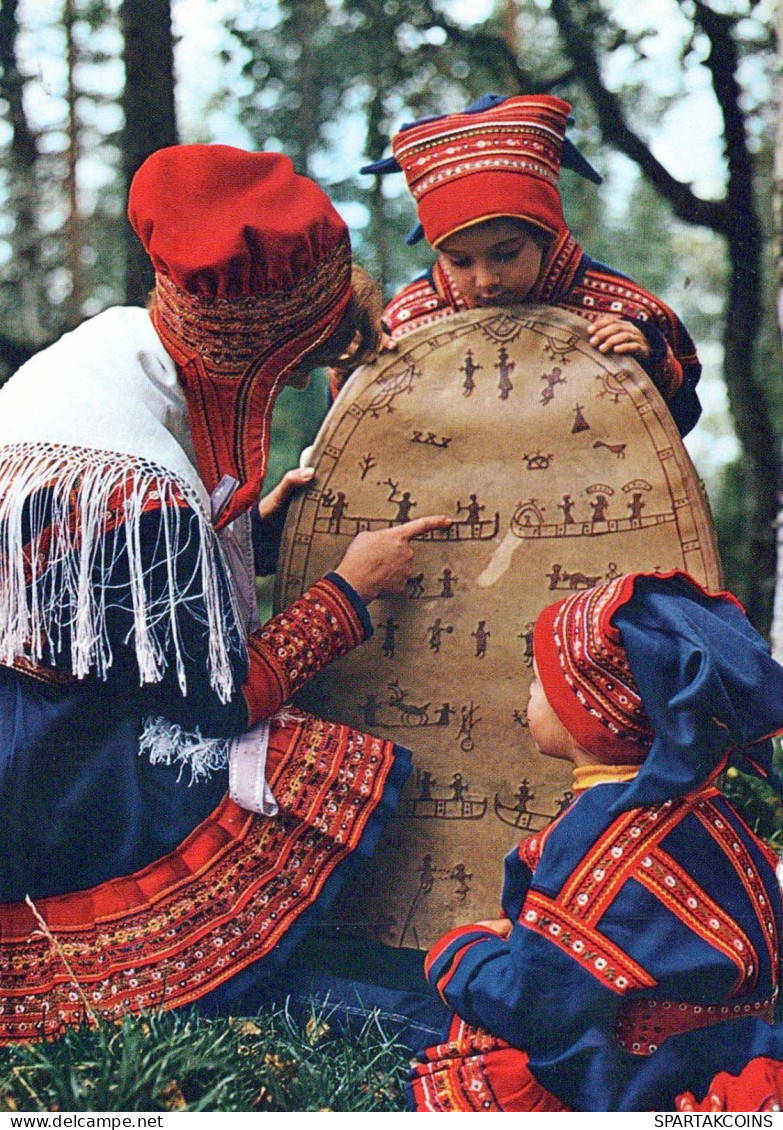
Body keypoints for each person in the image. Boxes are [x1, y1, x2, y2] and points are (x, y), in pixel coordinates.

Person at [0, 144, 451, 1043]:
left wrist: (265, 534)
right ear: (256, 350)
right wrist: (346, 596)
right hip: (45, 771)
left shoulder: (106, 357)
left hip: (40, 710)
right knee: (294, 765)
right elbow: (215, 699)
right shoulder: (136, 487)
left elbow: (116, 607)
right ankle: (218, 982)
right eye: (285, 372)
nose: (279, 389)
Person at [408, 570, 783, 1111]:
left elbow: (533, 1006)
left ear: (587, 712)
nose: (529, 696)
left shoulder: (597, 836)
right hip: (733, 1055)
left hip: (643, 1077)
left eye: (540, 682)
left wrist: (460, 952)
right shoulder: (703, 805)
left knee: (477, 1049)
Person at [358, 93, 701, 438]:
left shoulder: (622, 314)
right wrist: (360, 369)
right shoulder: (406, 325)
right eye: (460, 261)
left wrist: (650, 356)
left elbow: (679, 424)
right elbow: (360, 434)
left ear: (545, 236)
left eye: (506, 254)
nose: (485, 280)